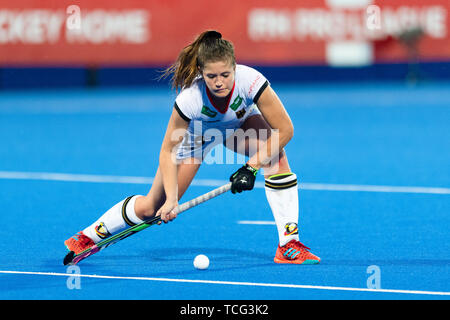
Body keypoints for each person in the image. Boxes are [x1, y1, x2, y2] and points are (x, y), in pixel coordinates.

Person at [64, 30, 320, 265]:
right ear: (201, 72)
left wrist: (251, 167)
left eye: (225, 75)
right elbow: (167, 151)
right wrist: (172, 200)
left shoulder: (251, 81)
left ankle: (289, 245)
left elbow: (285, 129)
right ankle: (89, 236)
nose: (219, 82)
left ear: (235, 67)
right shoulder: (190, 98)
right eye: (211, 76)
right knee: (151, 207)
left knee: (275, 154)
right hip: (197, 139)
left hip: (239, 127)